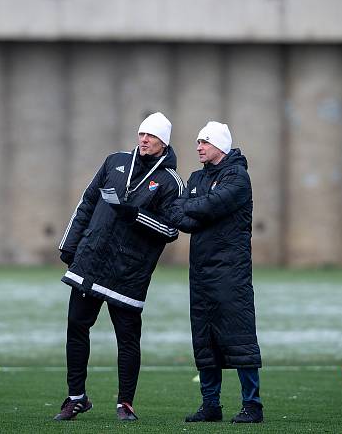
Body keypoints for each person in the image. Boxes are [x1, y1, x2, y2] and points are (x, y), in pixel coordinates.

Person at [53, 112, 185, 422]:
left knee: (127, 339)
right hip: (91, 262)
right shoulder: (114, 162)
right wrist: (70, 244)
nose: (143, 139)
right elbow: (87, 203)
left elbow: (171, 230)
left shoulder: (170, 181)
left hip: (127, 272)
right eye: (141, 134)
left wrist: (135, 215)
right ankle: (76, 397)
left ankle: (125, 403)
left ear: (163, 141)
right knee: (76, 327)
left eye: (150, 136)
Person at [164, 121, 263, 424]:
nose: (198, 147)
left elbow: (211, 205)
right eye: (197, 142)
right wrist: (196, 208)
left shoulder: (238, 177)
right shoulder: (196, 177)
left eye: (204, 142)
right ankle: (211, 406)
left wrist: (194, 207)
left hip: (231, 272)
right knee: (204, 338)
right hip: (202, 273)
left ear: (220, 146)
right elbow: (182, 216)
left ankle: (252, 406)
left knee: (240, 337)